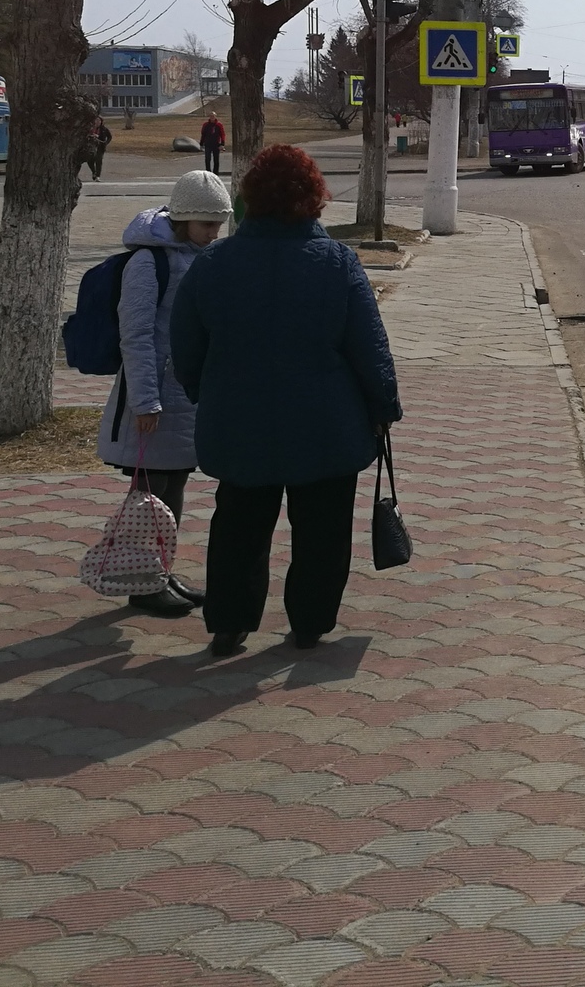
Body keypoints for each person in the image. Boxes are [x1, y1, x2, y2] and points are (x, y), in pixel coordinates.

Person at [172, 144, 401, 658]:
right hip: (325, 424)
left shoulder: (214, 264)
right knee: (322, 528)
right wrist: (383, 406)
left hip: (239, 422)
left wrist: (206, 394)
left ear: (250, 199)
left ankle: (229, 625)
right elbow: (369, 345)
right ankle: (311, 622)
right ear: (314, 199)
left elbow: (184, 346)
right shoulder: (335, 261)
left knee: (238, 524)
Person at [95, 170, 233, 616]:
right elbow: (135, 335)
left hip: (185, 394)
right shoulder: (148, 262)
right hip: (154, 397)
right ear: (184, 219)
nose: (214, 233)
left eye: (219, 225)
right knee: (150, 492)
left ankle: (160, 572)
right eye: (207, 225)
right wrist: (145, 401)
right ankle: (142, 582)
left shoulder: (198, 256)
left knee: (172, 487)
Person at [81, 112, 113, 181]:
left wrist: (105, 142)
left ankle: (98, 176)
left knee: (99, 160)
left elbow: (109, 137)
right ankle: (94, 172)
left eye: (99, 120)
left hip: (100, 147)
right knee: (90, 160)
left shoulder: (104, 129)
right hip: (91, 146)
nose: (97, 122)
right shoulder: (90, 128)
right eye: (96, 120)